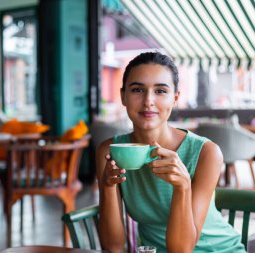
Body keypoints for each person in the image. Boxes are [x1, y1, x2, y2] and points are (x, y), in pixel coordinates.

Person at [96, 52, 246, 253]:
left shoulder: (206, 153)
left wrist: (183, 187)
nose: (148, 100)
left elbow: (181, 250)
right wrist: (106, 187)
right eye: (137, 89)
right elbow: (113, 247)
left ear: (175, 98)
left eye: (160, 91)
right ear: (123, 96)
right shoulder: (110, 151)